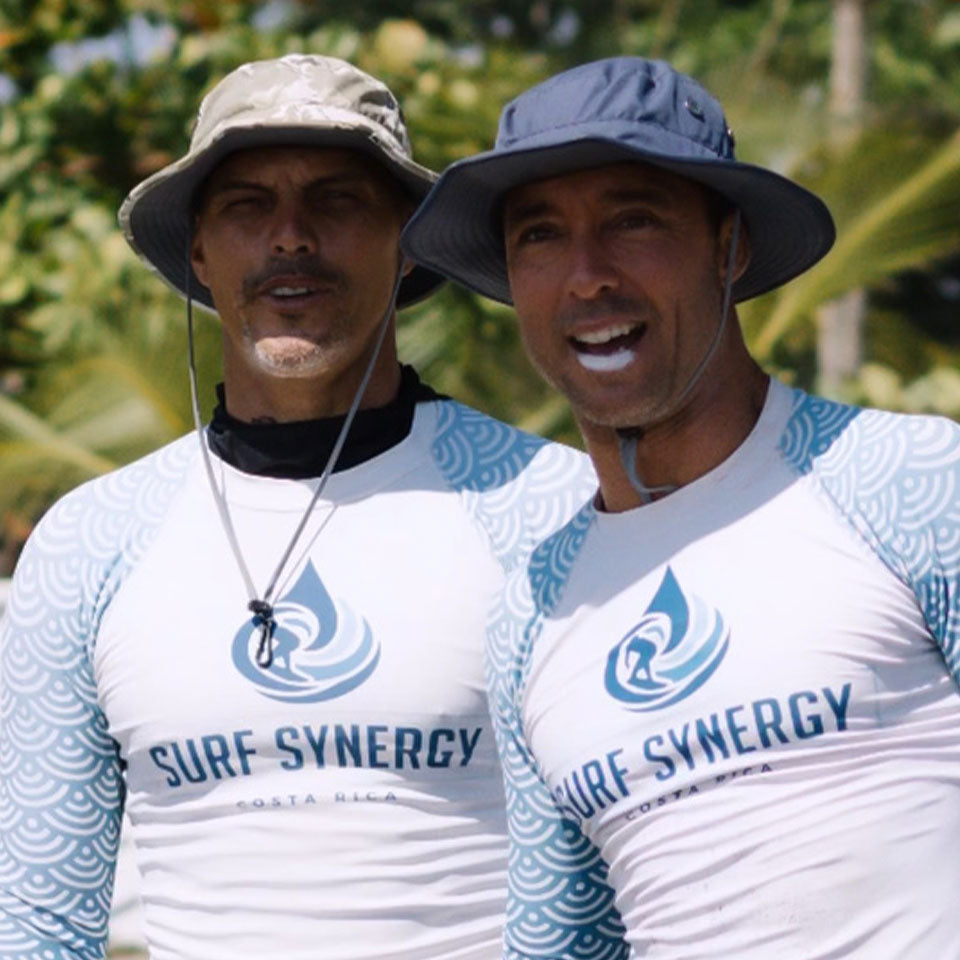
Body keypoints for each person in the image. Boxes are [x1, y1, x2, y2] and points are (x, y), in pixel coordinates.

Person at [0, 54, 603, 960]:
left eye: (336, 199)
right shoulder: (91, 543)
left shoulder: (546, 507)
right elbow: (39, 916)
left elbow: (608, 886)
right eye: (247, 205)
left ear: (407, 243)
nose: (291, 236)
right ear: (199, 251)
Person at [403, 56, 960, 959]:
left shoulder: (911, 483)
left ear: (729, 246)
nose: (587, 276)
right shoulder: (531, 613)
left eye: (634, 220)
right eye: (539, 236)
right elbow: (562, 942)